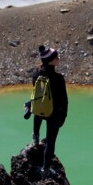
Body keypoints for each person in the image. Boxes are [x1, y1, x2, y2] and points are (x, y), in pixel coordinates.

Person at [31, 45, 68, 176]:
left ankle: (35, 137)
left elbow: (35, 92)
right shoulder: (58, 78)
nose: (58, 58)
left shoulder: (36, 73)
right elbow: (64, 100)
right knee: (51, 141)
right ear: (50, 61)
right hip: (54, 113)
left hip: (40, 109)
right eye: (56, 57)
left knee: (38, 113)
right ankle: (45, 168)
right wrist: (64, 116)